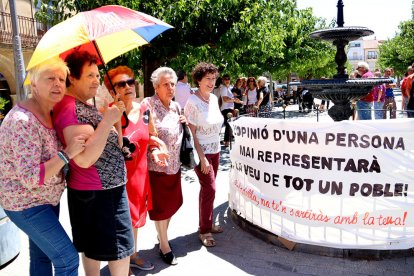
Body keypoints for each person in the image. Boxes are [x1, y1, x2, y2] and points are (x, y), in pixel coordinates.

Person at [0, 57, 86, 276]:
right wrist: (67, 154)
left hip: (45, 200)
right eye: (50, 78)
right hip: (26, 204)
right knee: (67, 260)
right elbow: (30, 177)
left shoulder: (49, 113)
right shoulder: (23, 121)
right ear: (34, 83)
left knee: (41, 257)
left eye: (61, 79)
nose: (58, 84)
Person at [53, 51, 133, 276]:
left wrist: (114, 120)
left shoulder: (82, 105)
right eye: (90, 75)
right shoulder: (70, 108)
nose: (97, 80)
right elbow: (85, 159)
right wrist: (107, 120)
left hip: (100, 191)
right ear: (72, 78)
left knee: (93, 251)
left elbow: (111, 143)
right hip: (101, 193)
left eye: (98, 75)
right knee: (119, 251)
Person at [103, 66, 169, 272]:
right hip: (119, 177)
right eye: (121, 84)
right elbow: (106, 146)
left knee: (135, 219)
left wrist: (159, 148)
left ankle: (132, 255)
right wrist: (115, 119)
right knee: (121, 222)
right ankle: (121, 263)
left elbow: (150, 136)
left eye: (130, 82)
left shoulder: (144, 110)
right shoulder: (107, 113)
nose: (128, 86)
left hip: (140, 176)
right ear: (111, 90)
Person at [143, 67, 185, 265]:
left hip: (175, 165)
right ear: (156, 86)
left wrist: (183, 121)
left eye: (173, 84)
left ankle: (162, 236)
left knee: (172, 204)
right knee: (161, 208)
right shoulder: (147, 105)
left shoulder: (176, 107)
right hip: (157, 166)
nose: (170, 88)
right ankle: (164, 246)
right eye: (166, 84)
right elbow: (143, 133)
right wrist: (154, 148)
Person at [184, 62, 224, 248]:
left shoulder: (214, 99)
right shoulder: (192, 102)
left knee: (208, 190)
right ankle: (204, 231)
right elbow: (192, 133)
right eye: (207, 78)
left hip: (216, 150)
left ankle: (206, 223)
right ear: (198, 80)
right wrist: (202, 158)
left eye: (213, 78)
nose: (211, 82)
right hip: (203, 154)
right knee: (210, 189)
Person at [220, 74, 241, 147]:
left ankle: (227, 141)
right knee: (228, 125)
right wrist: (234, 100)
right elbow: (225, 99)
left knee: (229, 125)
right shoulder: (224, 88)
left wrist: (235, 100)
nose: (227, 80)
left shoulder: (227, 88)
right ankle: (227, 141)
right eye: (225, 79)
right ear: (222, 80)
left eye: (228, 79)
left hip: (229, 108)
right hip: (226, 109)